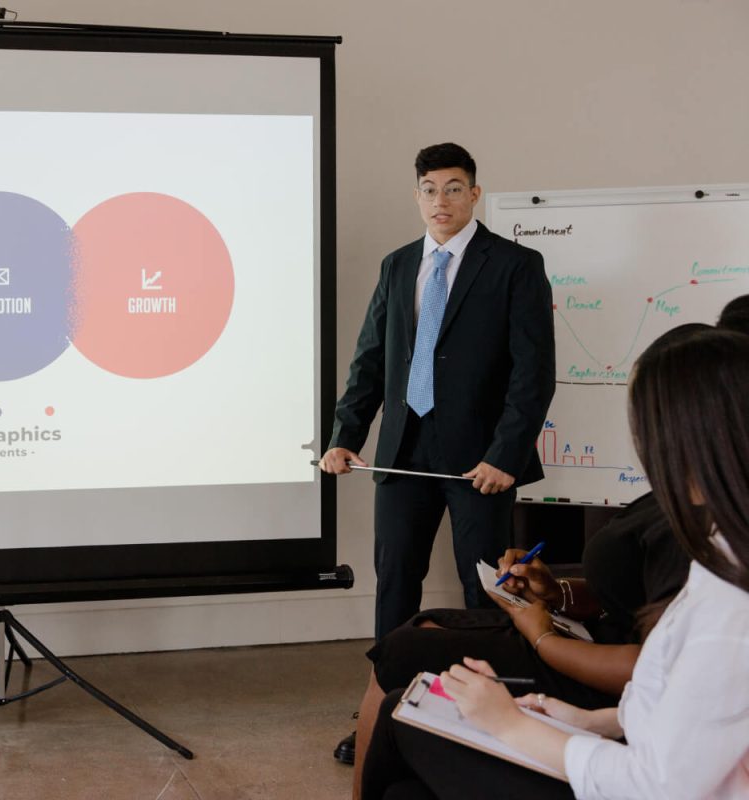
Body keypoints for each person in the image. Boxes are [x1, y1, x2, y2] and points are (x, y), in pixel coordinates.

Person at [361, 324, 749, 800]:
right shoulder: (722, 552)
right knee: (408, 769)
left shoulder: (729, 608)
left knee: (409, 715)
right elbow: (674, 704)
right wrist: (581, 721)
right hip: (621, 738)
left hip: (627, 780)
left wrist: (510, 723)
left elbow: (656, 782)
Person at [321, 142, 554, 765]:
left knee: (487, 597)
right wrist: (346, 434)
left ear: (475, 194)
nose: (441, 201)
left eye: (454, 188)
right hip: (402, 455)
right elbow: (372, 359)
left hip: (482, 464)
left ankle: (494, 725)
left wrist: (506, 454)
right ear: (417, 195)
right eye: (429, 189)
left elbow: (533, 374)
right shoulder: (399, 265)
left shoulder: (515, 264)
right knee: (396, 584)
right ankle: (384, 713)